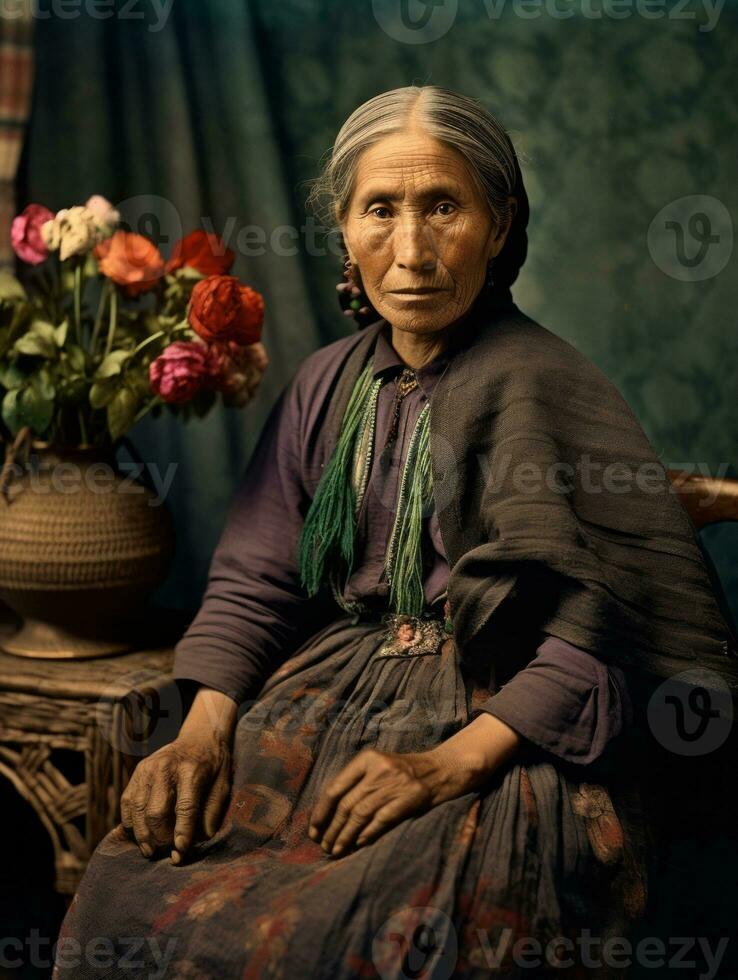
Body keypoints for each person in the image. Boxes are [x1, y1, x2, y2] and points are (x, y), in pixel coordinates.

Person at [52, 86, 738, 980]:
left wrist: (445, 768)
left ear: (499, 227)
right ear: (343, 227)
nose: (410, 251)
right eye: (381, 210)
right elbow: (256, 578)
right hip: (323, 696)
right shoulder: (327, 385)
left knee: (357, 932)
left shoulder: (544, 386)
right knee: (130, 892)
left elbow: (599, 631)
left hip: (503, 721)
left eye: (444, 207)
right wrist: (202, 727)